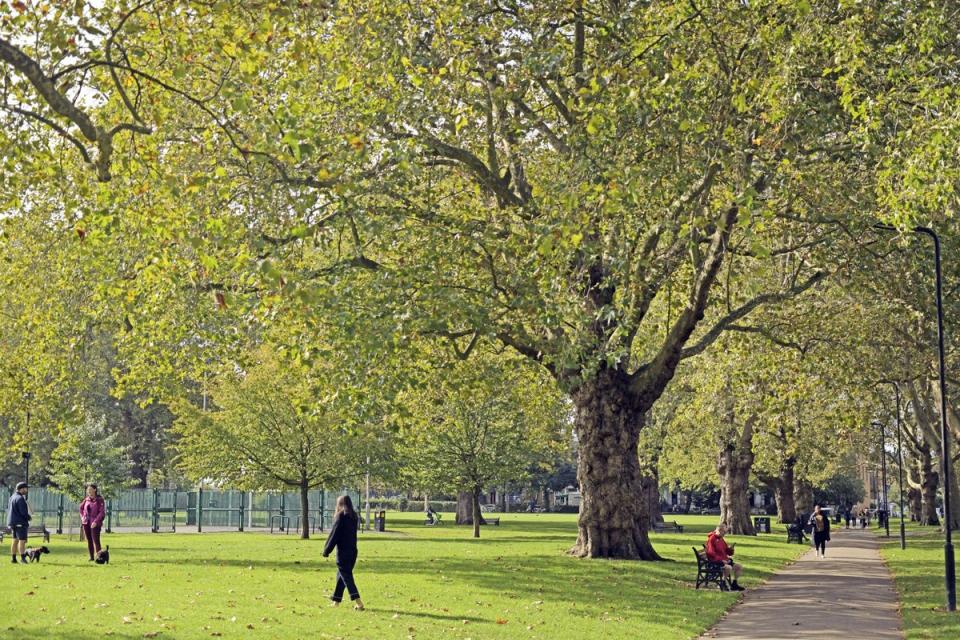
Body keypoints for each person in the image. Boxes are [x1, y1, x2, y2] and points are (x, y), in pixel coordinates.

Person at [323, 495, 364, 610]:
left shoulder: (340, 516)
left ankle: (359, 602)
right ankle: (336, 601)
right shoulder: (354, 516)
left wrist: (326, 550)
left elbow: (334, 535)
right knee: (341, 576)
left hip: (343, 553)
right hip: (353, 551)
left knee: (347, 577)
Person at [705, 523, 745, 591]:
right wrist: (721, 560)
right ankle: (722, 583)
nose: (725, 534)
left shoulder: (721, 539)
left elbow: (727, 552)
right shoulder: (712, 539)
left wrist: (731, 549)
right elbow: (710, 553)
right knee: (728, 567)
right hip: (715, 562)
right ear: (720, 530)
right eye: (724, 532)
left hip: (724, 561)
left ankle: (734, 584)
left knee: (739, 566)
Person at [79, 484, 106, 561]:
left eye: (90, 489)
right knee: (89, 540)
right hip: (86, 522)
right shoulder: (86, 499)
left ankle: (99, 557)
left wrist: (96, 522)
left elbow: (102, 512)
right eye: (88, 490)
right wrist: (82, 517)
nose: (89, 491)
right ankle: (91, 557)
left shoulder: (99, 500)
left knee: (96, 541)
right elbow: (81, 508)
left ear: (95, 490)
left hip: (94, 524)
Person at [6, 482, 31, 564]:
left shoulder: (12, 497)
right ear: (22, 489)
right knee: (22, 541)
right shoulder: (20, 498)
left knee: (15, 540)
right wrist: (28, 517)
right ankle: (23, 559)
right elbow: (23, 512)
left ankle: (13, 559)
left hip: (13, 522)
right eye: (26, 488)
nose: (27, 490)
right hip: (20, 523)